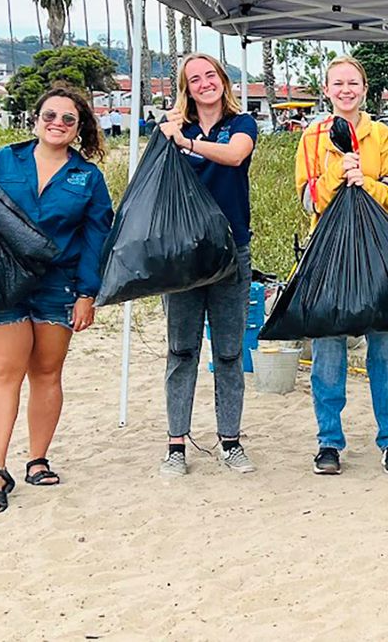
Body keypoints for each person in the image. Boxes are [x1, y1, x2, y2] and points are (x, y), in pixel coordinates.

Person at [0, 87, 113, 514]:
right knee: (3, 373)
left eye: (69, 119)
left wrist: (88, 293)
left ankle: (37, 459)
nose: (58, 123)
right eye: (50, 115)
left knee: (47, 372)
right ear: (35, 119)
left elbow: (96, 238)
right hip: (4, 281)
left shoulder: (87, 178)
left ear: (79, 128)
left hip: (58, 285)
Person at [295, 56, 388, 477]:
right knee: (328, 352)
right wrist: (336, 177)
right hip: (328, 255)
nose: (346, 90)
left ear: (364, 89)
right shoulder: (311, 137)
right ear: (326, 90)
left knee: (385, 352)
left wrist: (367, 182)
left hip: (377, 254)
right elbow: (308, 199)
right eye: (338, 83)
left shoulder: (381, 135)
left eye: (353, 83)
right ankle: (329, 442)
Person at [158, 53, 258, 478]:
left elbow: (235, 156)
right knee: (181, 350)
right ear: (186, 87)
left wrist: (189, 143)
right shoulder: (168, 128)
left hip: (231, 251)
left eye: (210, 75)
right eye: (194, 79)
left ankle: (230, 440)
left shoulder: (242, 123)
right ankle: (176, 443)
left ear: (223, 79)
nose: (204, 83)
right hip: (182, 256)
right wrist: (171, 132)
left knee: (230, 352)